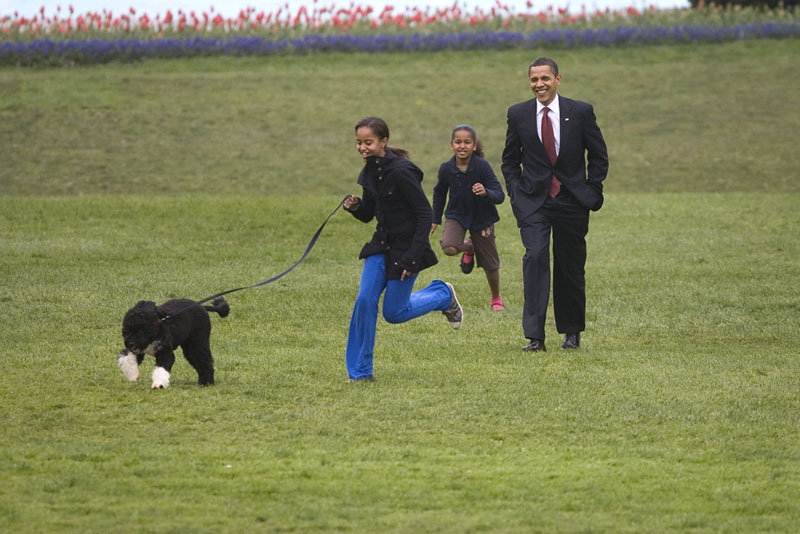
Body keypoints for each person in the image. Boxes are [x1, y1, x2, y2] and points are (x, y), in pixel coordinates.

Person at [343, 116, 463, 382]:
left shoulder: (402, 172)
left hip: (406, 250)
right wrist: (355, 207)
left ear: (383, 142)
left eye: (368, 142)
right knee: (364, 301)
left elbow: (424, 214)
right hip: (380, 247)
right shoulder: (369, 172)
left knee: (394, 313)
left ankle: (442, 294)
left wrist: (412, 259)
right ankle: (361, 372)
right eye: (359, 143)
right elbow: (368, 214)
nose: (362, 148)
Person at [501, 57, 609, 352]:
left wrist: (592, 190)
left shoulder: (581, 112)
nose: (539, 85)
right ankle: (535, 337)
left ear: (558, 79)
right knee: (535, 258)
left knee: (570, 265)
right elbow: (509, 160)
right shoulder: (519, 114)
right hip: (534, 202)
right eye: (534, 80)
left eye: (545, 79)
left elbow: (598, 156)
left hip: (572, 201)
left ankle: (572, 333)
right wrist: (516, 193)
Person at [430, 124, 506, 311]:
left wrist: (486, 192)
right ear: (451, 145)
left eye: (467, 142)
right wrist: (435, 219)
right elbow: (439, 193)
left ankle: (496, 297)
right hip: (457, 214)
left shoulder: (482, 167)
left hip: (483, 216)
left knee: (490, 265)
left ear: (473, 146)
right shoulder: (446, 169)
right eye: (458, 142)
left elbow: (499, 195)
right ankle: (470, 247)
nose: (462, 146)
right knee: (448, 247)